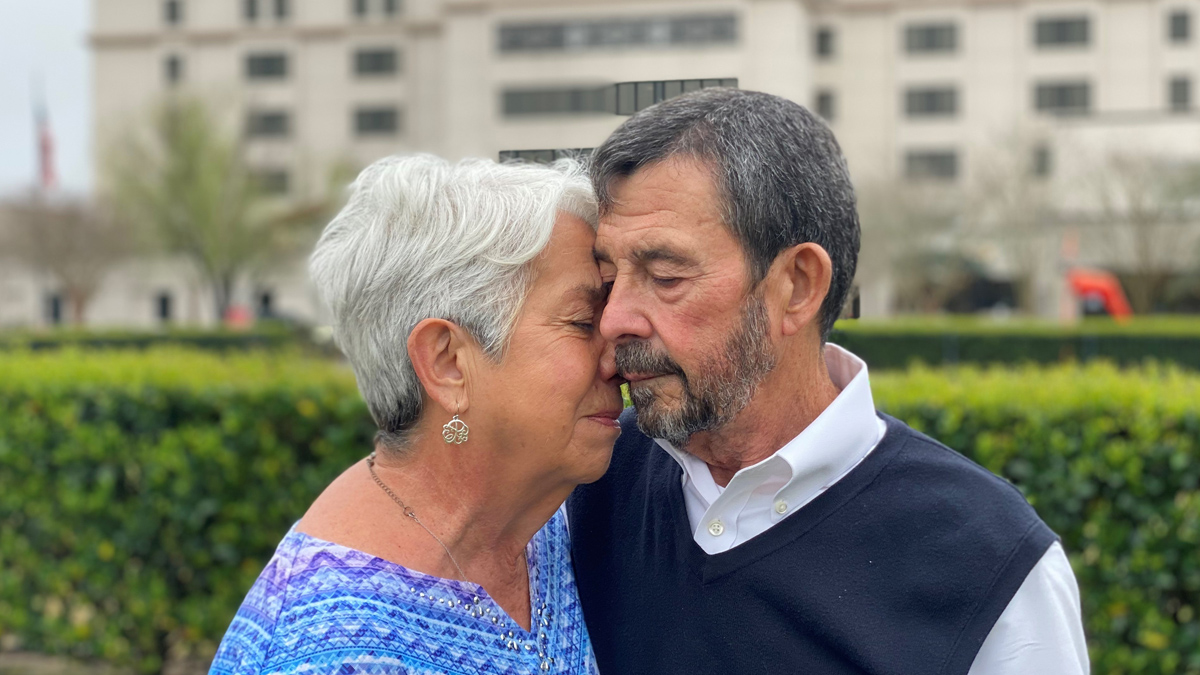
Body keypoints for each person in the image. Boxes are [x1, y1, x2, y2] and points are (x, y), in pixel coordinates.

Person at [568, 88, 1089, 674]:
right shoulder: (577, 486)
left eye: (665, 276)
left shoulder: (993, 563)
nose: (614, 319)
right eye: (609, 278)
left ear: (797, 285)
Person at [210, 155, 623, 675]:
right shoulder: (328, 655)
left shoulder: (548, 520)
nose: (618, 356)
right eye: (584, 321)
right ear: (448, 363)